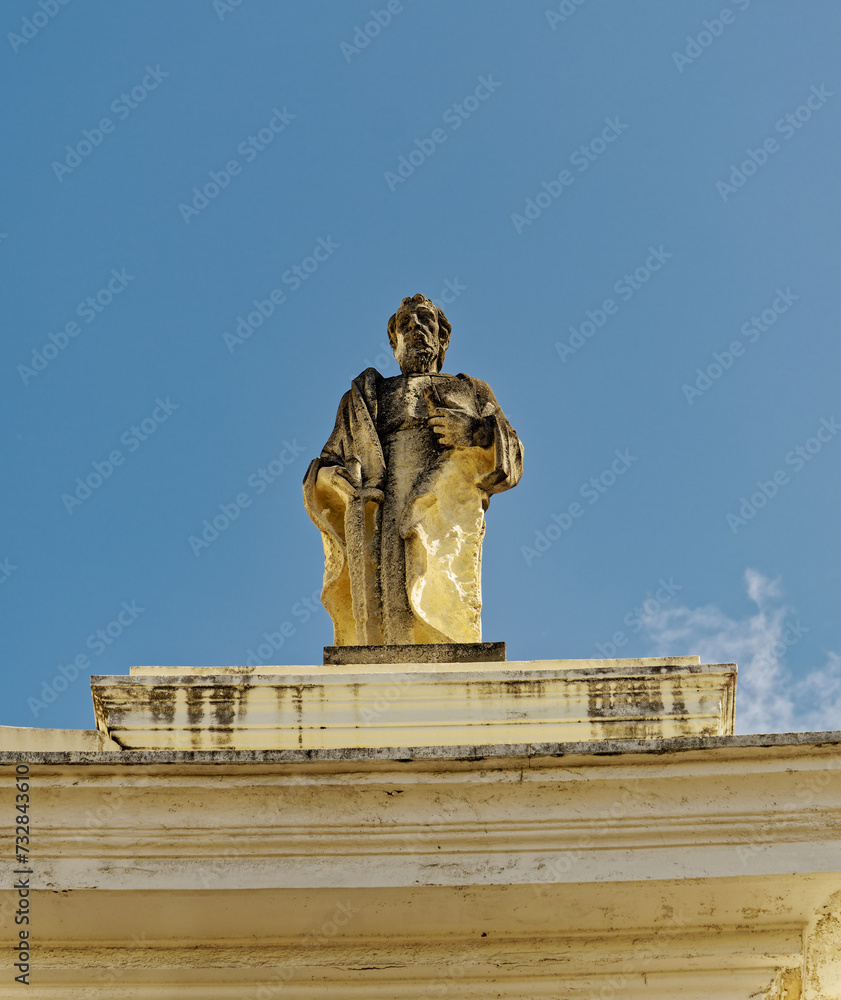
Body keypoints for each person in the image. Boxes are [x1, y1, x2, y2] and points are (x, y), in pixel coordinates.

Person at [303, 293, 523, 646]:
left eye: (425, 322)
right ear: (394, 343)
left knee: (436, 591)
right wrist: (334, 480)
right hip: (379, 510)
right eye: (405, 325)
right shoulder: (365, 397)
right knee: (387, 609)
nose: (416, 329)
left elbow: (512, 457)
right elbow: (326, 465)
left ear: (443, 338)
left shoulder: (470, 390)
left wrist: (476, 432)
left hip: (441, 508)